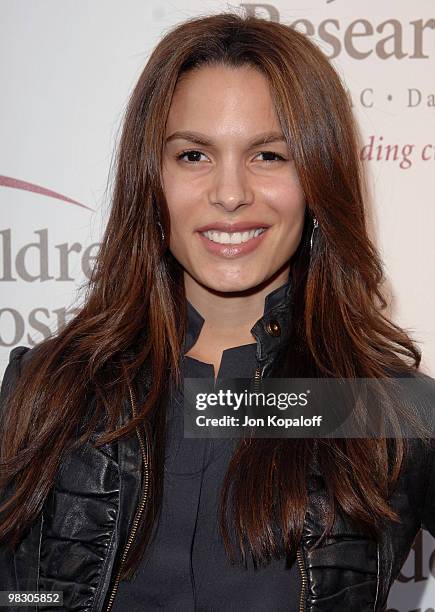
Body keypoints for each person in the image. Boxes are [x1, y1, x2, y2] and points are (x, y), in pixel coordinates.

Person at [0, 11, 434, 612]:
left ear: (318, 177)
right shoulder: (50, 390)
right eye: (194, 156)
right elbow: (19, 596)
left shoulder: (387, 411)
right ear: (150, 176)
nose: (231, 194)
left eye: (270, 156)